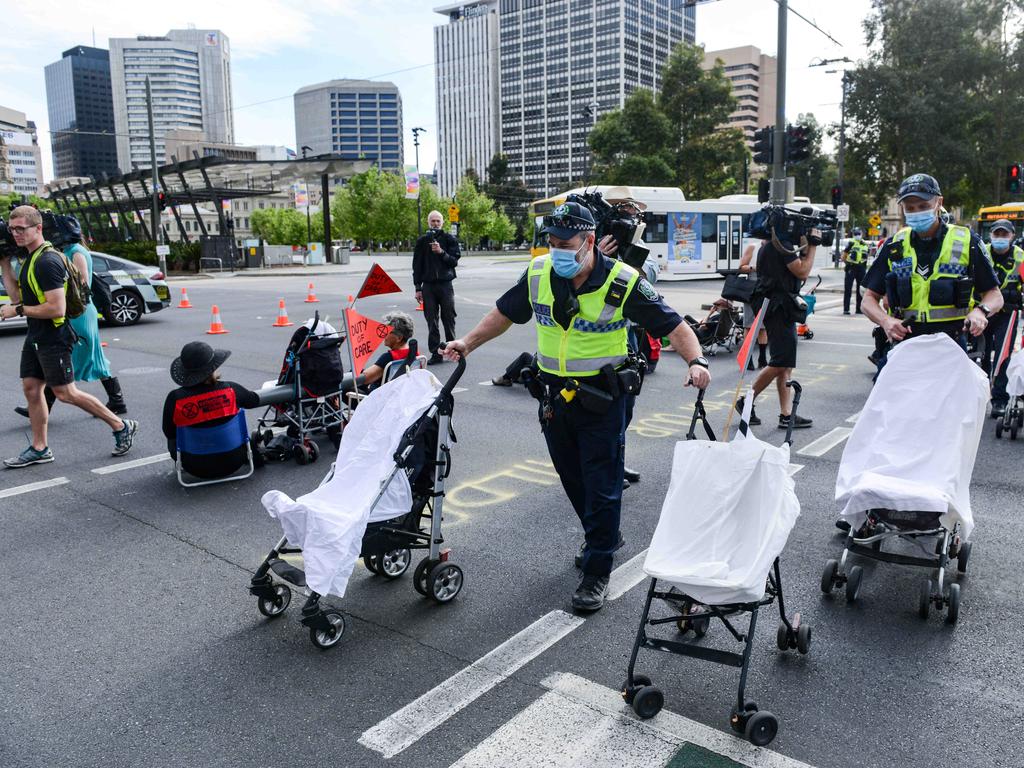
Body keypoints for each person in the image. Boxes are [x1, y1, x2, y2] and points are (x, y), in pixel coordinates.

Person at [440, 201, 711, 613]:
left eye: (563, 243)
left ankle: (597, 569)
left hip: (603, 399)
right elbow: (503, 314)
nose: (555, 250)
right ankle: (602, 535)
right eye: (550, 242)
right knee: (572, 476)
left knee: (601, 482)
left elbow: (674, 325)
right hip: (553, 397)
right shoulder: (538, 274)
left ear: (588, 241)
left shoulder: (622, 281)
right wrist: (467, 343)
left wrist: (696, 361)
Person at [0, 206, 137, 467]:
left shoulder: (47, 261)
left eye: (21, 228)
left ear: (38, 228)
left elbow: (56, 308)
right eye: (12, 229)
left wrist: (16, 310)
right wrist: (4, 263)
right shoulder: (30, 258)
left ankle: (121, 425)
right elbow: (17, 296)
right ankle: (40, 448)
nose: (15, 234)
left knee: (65, 393)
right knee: (31, 388)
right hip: (37, 334)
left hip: (54, 336)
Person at [860, 173, 1001, 349]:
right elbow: (868, 300)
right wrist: (886, 321)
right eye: (910, 208)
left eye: (923, 206)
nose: (917, 212)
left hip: (952, 343)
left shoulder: (967, 241)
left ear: (939, 203)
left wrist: (981, 311)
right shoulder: (894, 244)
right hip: (906, 343)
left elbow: (994, 295)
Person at [13, 220, 127, 418]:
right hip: (73, 311)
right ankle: (45, 404)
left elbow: (80, 284)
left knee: (88, 356)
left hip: (78, 312)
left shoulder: (77, 251)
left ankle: (116, 401)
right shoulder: (66, 250)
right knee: (75, 357)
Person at [737, 219, 821, 430]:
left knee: (785, 363)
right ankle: (746, 400)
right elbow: (802, 271)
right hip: (777, 307)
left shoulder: (773, 243)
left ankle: (786, 414)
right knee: (781, 360)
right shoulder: (781, 244)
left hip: (778, 305)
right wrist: (812, 247)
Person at [162, 341, 260, 480]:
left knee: (174, 435)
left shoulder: (175, 398)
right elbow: (253, 400)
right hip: (234, 460)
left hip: (193, 465)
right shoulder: (231, 390)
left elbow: (169, 432)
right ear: (213, 368)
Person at [981, 219, 1022, 418]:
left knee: (1002, 358)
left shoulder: (1021, 258)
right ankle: (979, 397)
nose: (1000, 238)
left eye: (1004, 235)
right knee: (979, 355)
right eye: (996, 234)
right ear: (991, 235)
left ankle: (999, 400)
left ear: (1012, 236)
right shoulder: (981, 252)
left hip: (1008, 314)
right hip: (982, 312)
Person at [413, 210, 460, 365]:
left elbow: (454, 261)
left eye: (438, 221)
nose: (435, 223)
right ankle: (436, 353)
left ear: (442, 222)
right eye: (432, 221)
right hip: (428, 286)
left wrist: (441, 252)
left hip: (446, 285)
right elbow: (417, 266)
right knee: (431, 320)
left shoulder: (449, 239)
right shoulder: (422, 241)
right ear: (428, 222)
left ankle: (452, 349)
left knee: (449, 317)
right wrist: (417, 287)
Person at [361, 311, 418, 389]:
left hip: (384, 396)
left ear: (399, 338)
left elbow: (365, 378)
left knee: (347, 385)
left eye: (387, 331)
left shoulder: (389, 358)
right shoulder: (415, 353)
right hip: (406, 392)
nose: (383, 334)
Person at [738, 241, 768, 370]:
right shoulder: (753, 247)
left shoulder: (776, 247)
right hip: (752, 289)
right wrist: (756, 268)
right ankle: (748, 359)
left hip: (767, 289)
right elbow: (741, 267)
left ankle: (762, 358)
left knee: (763, 326)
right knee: (749, 325)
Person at [842, 229, 869, 315]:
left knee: (860, 290)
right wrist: (848, 264)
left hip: (861, 268)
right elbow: (843, 256)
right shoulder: (851, 243)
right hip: (851, 267)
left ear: (862, 234)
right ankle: (846, 309)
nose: (858, 235)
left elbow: (866, 257)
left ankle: (859, 309)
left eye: (859, 234)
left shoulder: (865, 244)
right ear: (853, 234)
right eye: (856, 234)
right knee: (848, 289)